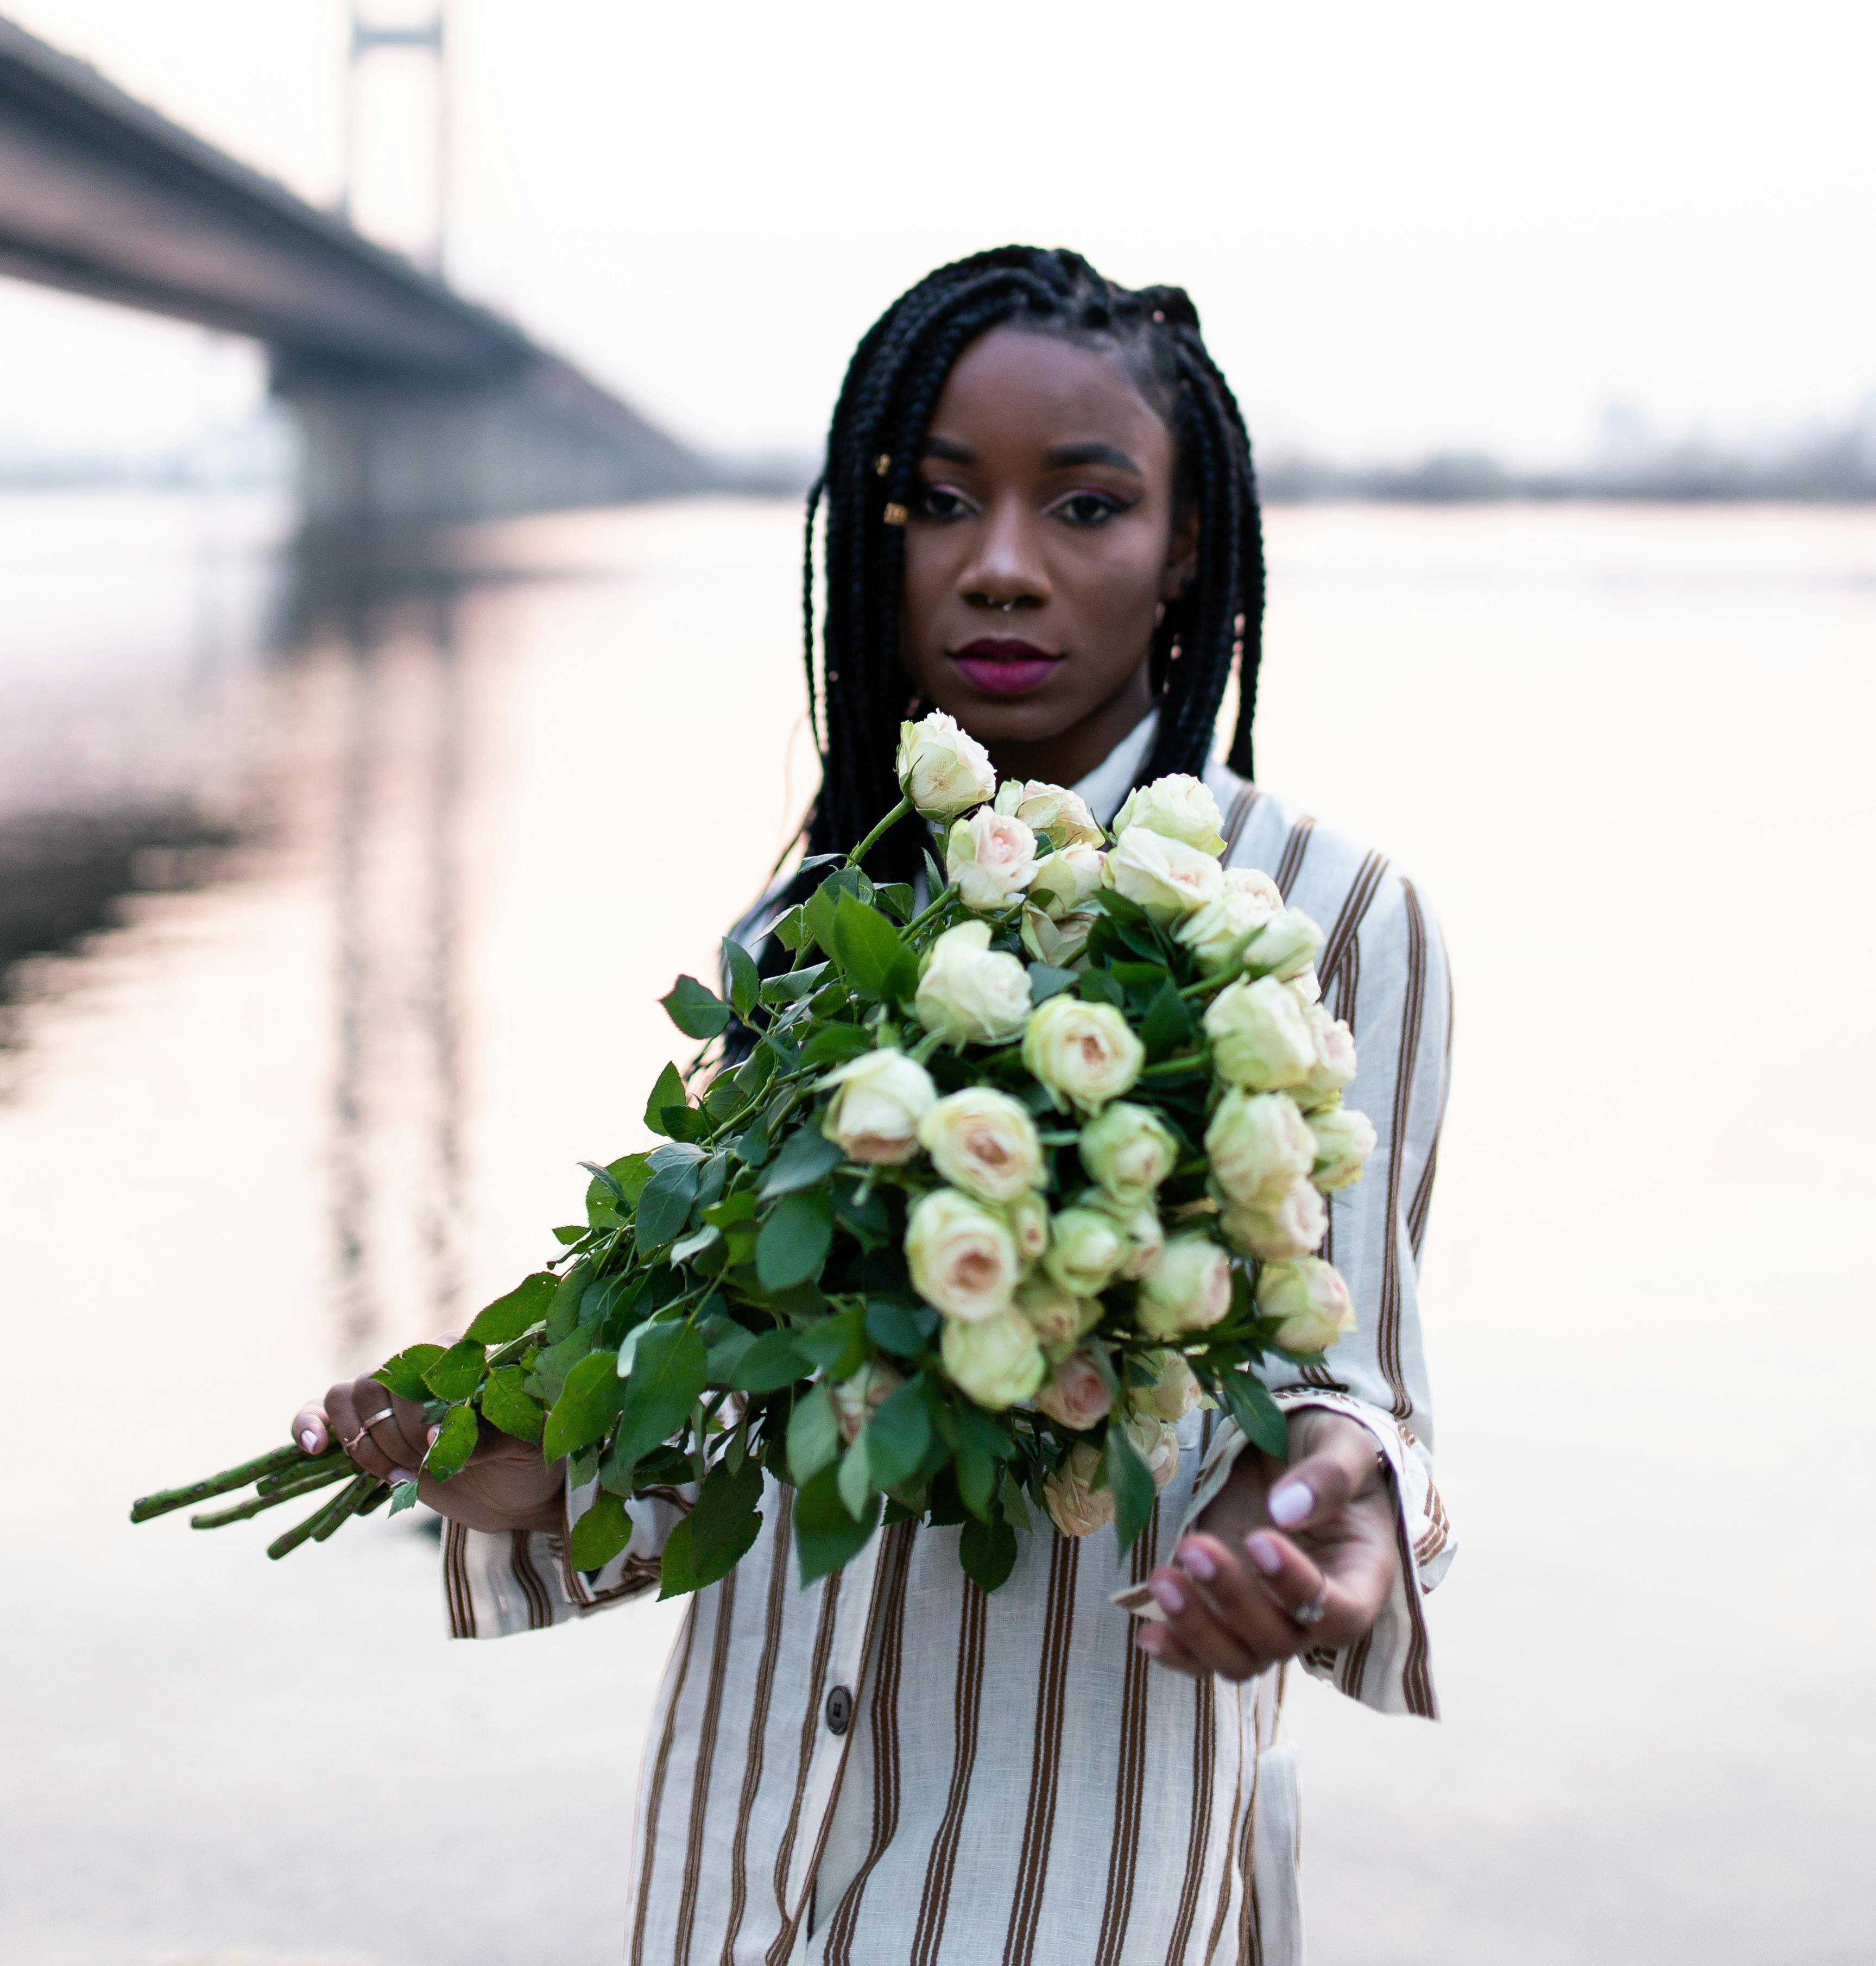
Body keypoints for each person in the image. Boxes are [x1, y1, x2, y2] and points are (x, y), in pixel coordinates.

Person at [296, 246, 1454, 1966]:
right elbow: (734, 1436)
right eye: (932, 503)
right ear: (870, 537)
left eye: (1083, 506)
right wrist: (541, 1473)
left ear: (1184, 546)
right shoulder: (798, 931)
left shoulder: (1319, 915)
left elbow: (1345, 1383)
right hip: (734, 1857)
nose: (999, 569)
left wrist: (1326, 1518)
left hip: (1072, 1873)